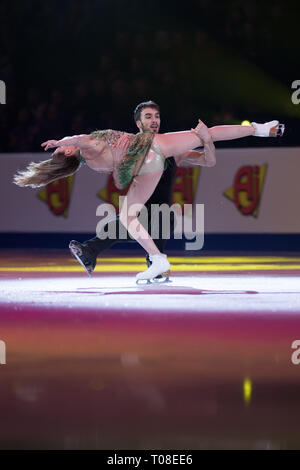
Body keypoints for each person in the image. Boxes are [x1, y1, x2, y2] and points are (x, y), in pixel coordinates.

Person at [13, 117, 284, 282]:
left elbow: (119, 164)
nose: (64, 146)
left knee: (129, 217)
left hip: (150, 158)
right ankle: (260, 129)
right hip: (154, 148)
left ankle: (157, 259)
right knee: (207, 133)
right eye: (64, 148)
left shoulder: (93, 163)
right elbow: (80, 139)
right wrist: (61, 140)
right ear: (71, 151)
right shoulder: (88, 145)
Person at [69, 100, 202, 278]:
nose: (154, 120)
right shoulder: (129, 149)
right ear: (139, 124)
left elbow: (207, 160)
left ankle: (154, 263)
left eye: (156, 116)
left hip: (161, 214)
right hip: (140, 213)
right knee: (118, 223)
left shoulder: (172, 150)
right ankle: (91, 253)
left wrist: (207, 140)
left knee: (127, 222)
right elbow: (111, 164)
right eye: (148, 117)